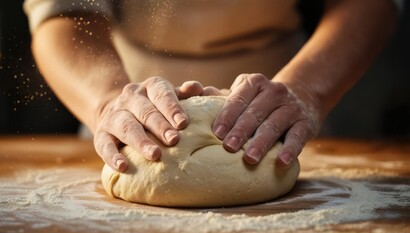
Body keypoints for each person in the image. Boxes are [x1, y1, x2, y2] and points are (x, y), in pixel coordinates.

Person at [23, 0, 402, 173]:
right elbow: (66, 15)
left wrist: (305, 90)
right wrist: (107, 100)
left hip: (279, 112)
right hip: (132, 116)